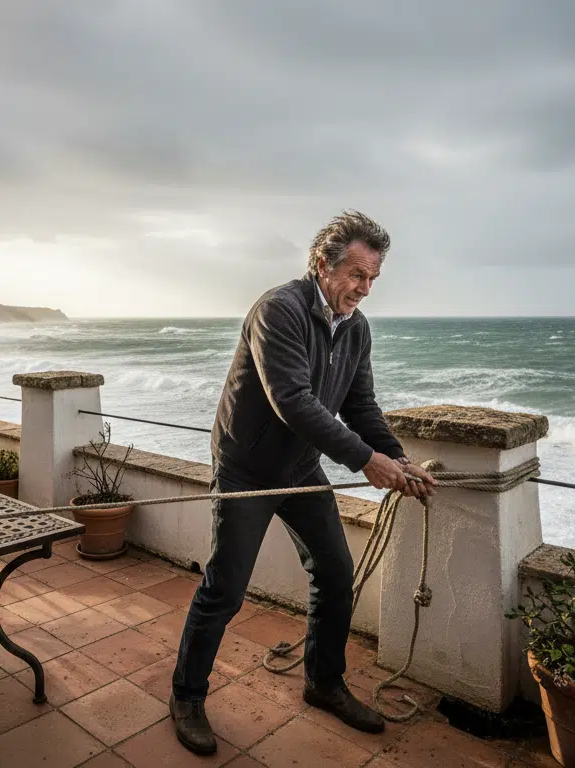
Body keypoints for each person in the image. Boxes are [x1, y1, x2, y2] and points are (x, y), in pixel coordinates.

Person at [168, 210, 437, 755]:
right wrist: (366, 461)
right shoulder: (278, 310)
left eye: (373, 278)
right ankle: (187, 696)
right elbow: (291, 400)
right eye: (356, 275)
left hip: (300, 467)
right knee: (225, 589)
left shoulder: (356, 327)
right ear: (321, 264)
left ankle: (323, 683)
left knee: (335, 574)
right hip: (246, 468)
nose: (364, 289)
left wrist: (397, 458)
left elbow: (361, 405)